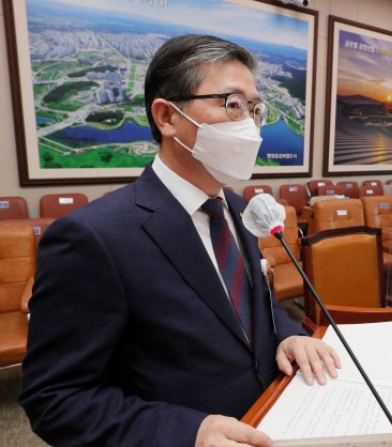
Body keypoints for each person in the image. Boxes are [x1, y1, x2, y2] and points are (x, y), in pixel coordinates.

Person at [20, 34, 341, 447]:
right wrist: (189, 432)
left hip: (275, 418)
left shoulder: (238, 210)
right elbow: (55, 399)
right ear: (167, 118)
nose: (251, 124)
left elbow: (251, 304)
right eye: (233, 104)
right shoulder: (92, 237)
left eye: (255, 108)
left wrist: (288, 333)